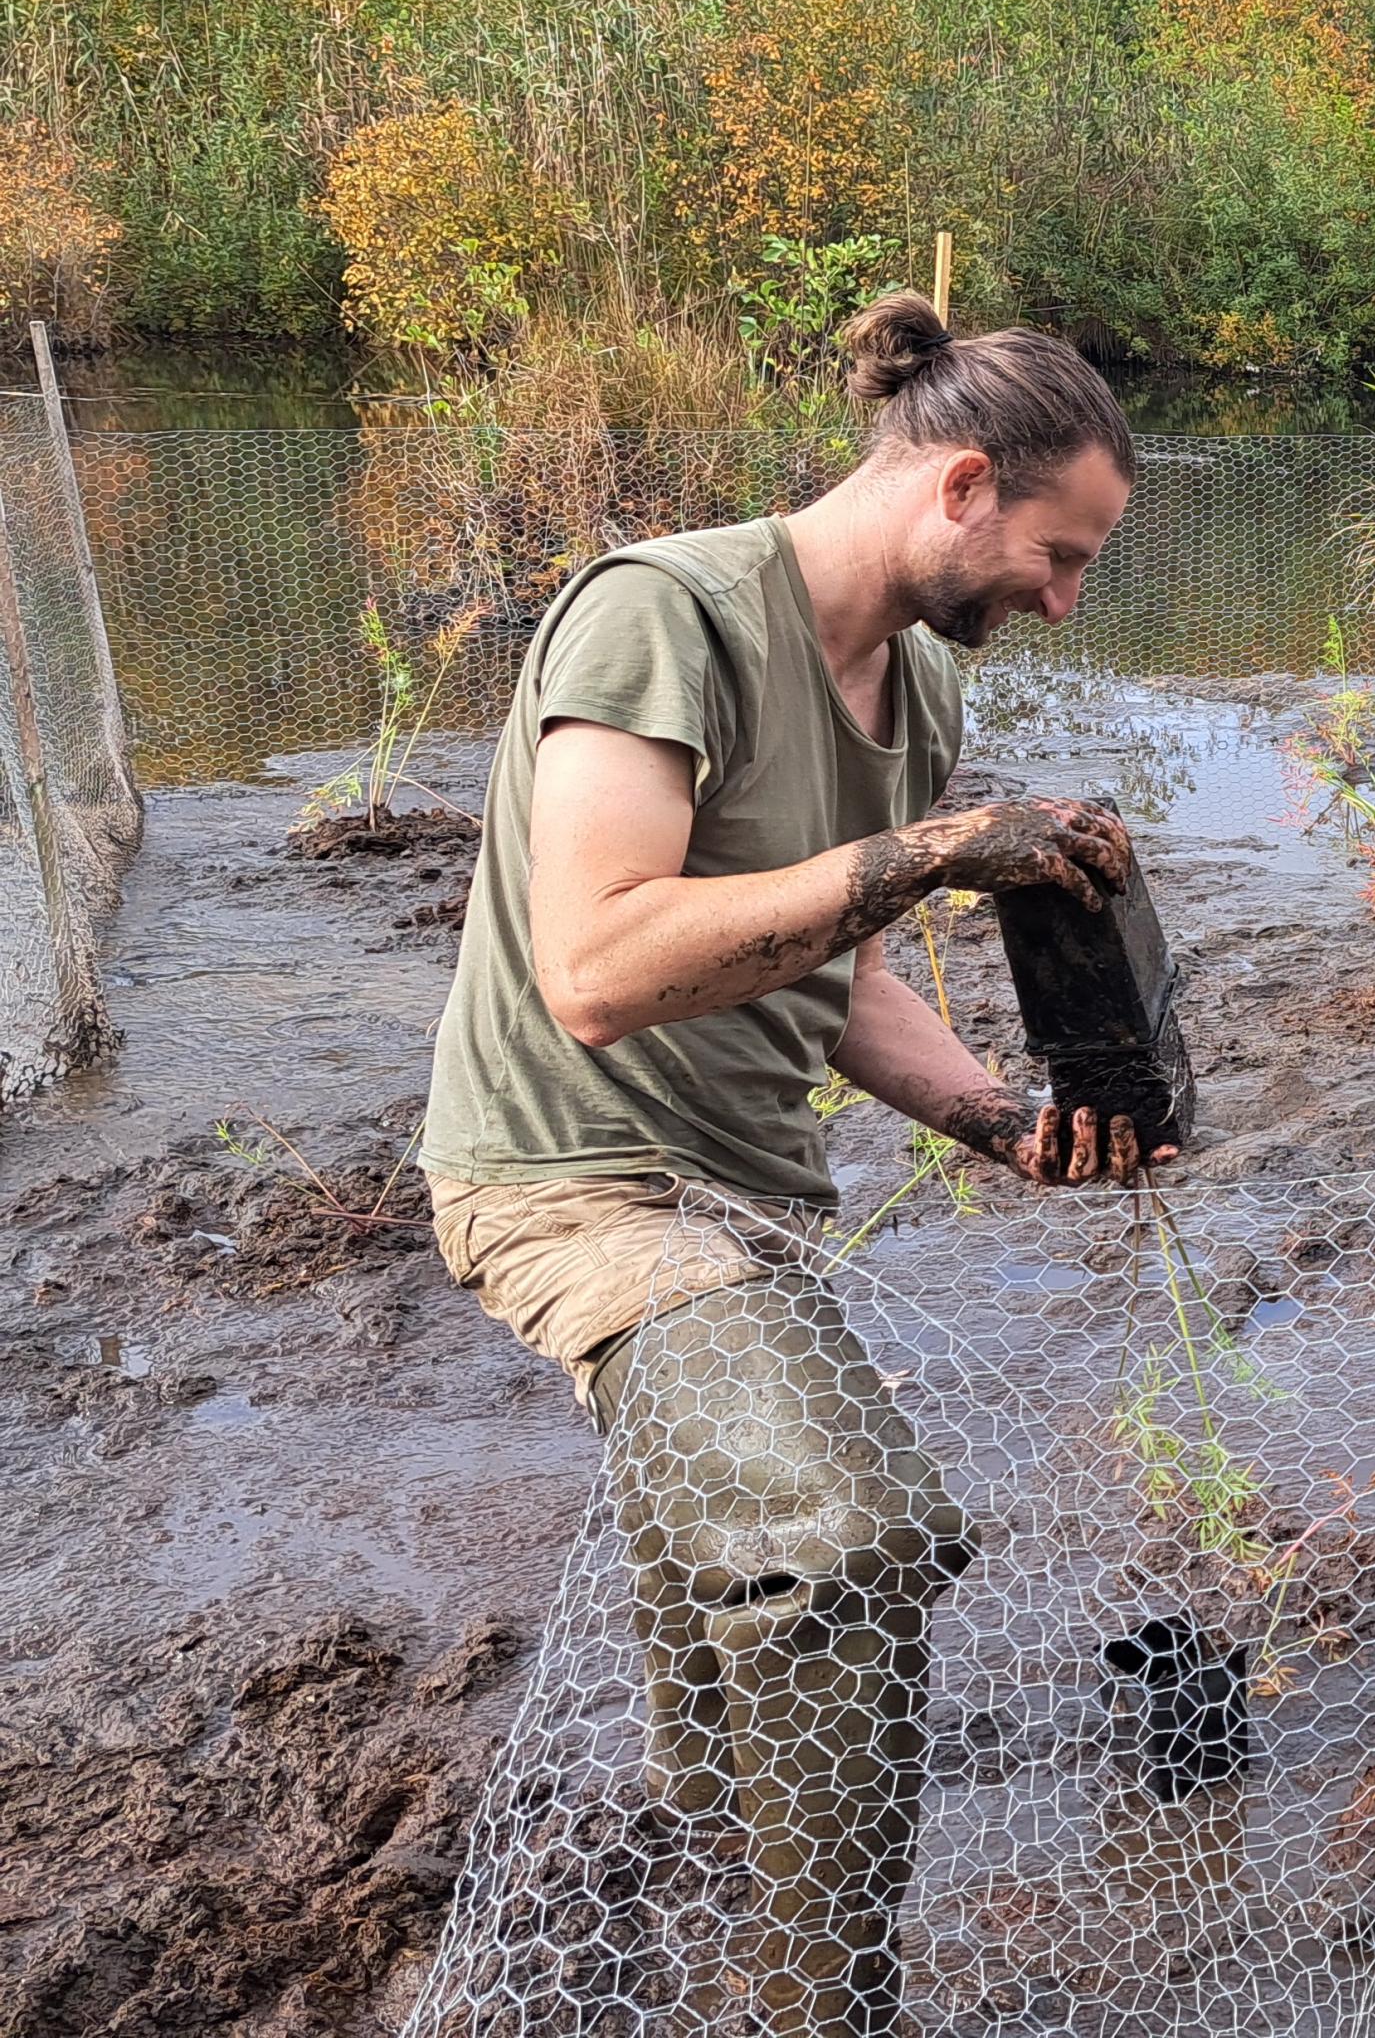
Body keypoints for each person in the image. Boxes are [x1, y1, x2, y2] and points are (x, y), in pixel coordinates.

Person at [419, 293, 1164, 2035]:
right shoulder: (659, 616)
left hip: (753, 1202)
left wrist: (999, 1122)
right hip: (574, 1179)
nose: (1063, 603)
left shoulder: (912, 676)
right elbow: (598, 968)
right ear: (965, 483)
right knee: (850, 1542)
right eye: (1059, 557)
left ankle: (718, 1841)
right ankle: (825, 2006)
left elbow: (837, 972)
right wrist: (928, 850)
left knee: (745, 1596)